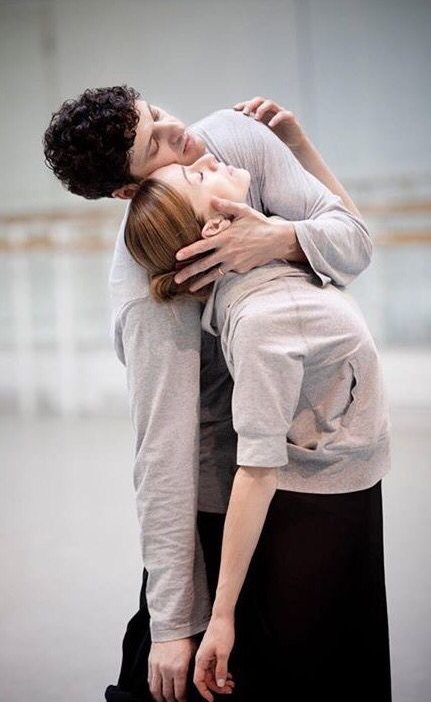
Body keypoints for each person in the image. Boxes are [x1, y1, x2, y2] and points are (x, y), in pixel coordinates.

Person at [43, 88, 374, 702]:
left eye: (158, 114)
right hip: (224, 490)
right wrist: (174, 622)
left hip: (306, 473)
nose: (180, 135)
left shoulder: (232, 140)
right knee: (180, 668)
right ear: (127, 191)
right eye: (155, 146)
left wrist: (276, 238)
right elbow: (163, 450)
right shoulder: (148, 294)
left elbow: (354, 246)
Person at [123, 153, 392, 702]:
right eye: (199, 178)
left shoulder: (272, 268)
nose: (205, 158)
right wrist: (218, 617)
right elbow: (257, 470)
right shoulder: (271, 317)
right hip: (310, 512)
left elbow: (350, 228)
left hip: (327, 500)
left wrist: (294, 139)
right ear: (217, 226)